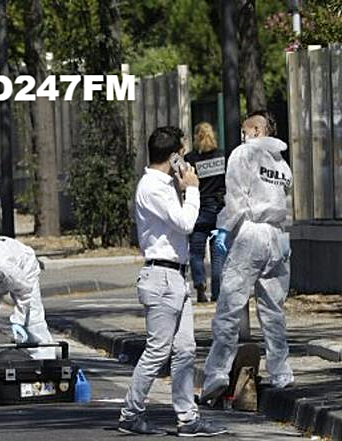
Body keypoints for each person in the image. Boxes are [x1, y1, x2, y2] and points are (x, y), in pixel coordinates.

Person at [118, 126, 227, 437]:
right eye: (182, 153)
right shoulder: (152, 187)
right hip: (162, 277)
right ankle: (130, 413)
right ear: (174, 155)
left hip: (175, 277)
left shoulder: (164, 184)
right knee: (158, 350)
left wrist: (182, 187)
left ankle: (187, 418)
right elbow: (185, 223)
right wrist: (192, 188)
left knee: (185, 349)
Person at [200, 112, 294, 403]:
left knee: (230, 305)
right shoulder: (281, 162)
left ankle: (217, 372)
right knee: (273, 310)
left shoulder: (244, 154)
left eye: (245, 130)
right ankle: (281, 372)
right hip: (277, 237)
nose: (242, 135)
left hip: (250, 234)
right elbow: (284, 201)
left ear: (255, 130)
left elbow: (237, 200)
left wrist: (224, 230)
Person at [184, 122, 226, 303]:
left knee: (196, 252)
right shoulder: (222, 156)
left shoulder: (191, 159)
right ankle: (217, 293)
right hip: (218, 209)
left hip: (198, 210)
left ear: (196, 137)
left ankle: (200, 286)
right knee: (217, 255)